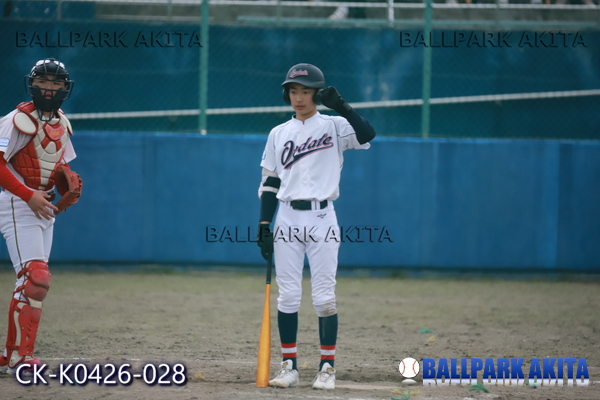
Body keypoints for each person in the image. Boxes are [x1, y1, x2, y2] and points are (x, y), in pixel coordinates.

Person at [256, 63, 376, 389]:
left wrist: (343, 107)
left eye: (306, 91)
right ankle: (289, 367)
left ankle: (327, 368)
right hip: (287, 217)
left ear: (317, 94)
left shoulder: (335, 126)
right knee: (288, 297)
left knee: (324, 298)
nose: (299, 97)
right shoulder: (278, 133)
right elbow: (270, 182)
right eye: (293, 91)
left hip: (323, 216)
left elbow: (367, 134)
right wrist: (264, 223)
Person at [0, 58, 81, 374]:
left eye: (56, 83)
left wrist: (67, 181)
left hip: (43, 205)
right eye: (43, 81)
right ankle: (21, 358)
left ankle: (12, 355)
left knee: (35, 284)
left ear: (65, 88)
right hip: (18, 203)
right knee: (35, 278)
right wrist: (27, 194)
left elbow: (58, 162)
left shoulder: (63, 123)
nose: (49, 88)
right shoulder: (15, 120)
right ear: (31, 84)